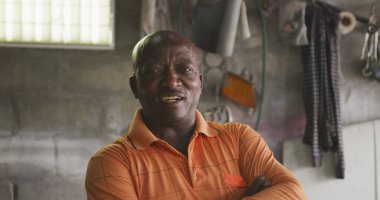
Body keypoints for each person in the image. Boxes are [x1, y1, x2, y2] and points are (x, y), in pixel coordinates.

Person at [85, 30, 306, 199]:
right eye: (154, 71)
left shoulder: (239, 139)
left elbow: (293, 192)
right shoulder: (111, 164)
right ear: (135, 86)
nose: (172, 81)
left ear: (200, 83)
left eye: (185, 69)